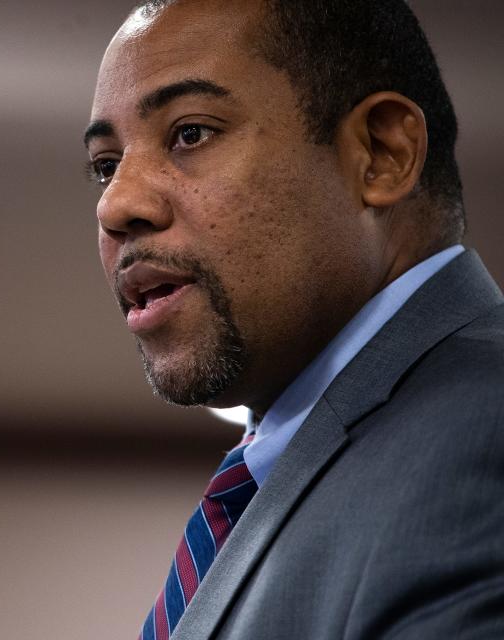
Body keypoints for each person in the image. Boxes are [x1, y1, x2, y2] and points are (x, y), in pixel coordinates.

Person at [84, 1, 504, 638]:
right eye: (106, 166)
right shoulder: (291, 463)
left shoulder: (483, 432)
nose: (117, 205)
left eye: (189, 132)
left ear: (381, 153)